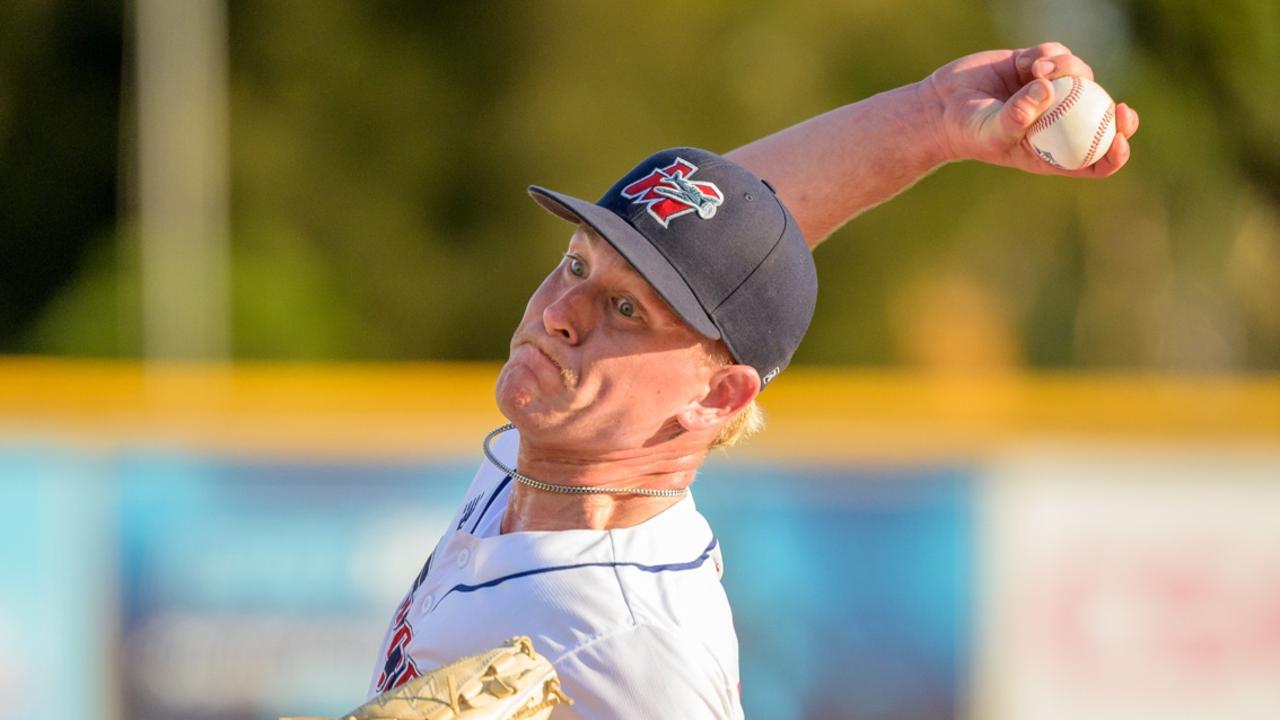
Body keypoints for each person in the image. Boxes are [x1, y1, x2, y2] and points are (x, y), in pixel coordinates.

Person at [367, 43, 1139, 719]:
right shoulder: (557, 461)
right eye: (576, 263)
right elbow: (744, 231)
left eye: (626, 308)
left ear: (717, 395)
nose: (561, 312)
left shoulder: (631, 638)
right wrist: (932, 115)